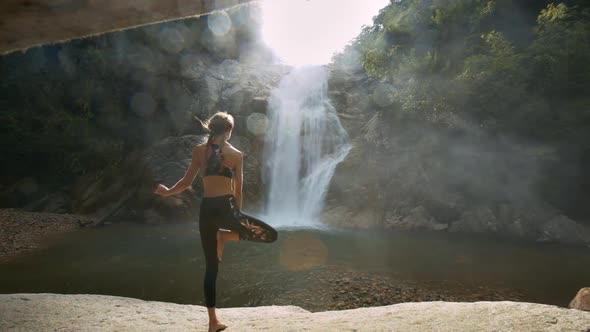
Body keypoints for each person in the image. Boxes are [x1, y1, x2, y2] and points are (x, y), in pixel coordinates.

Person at [154, 111, 278, 332]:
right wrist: (237, 218)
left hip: (207, 210)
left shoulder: (199, 151)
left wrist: (166, 192)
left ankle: (212, 322)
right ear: (229, 131)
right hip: (227, 208)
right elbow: (237, 190)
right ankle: (226, 235)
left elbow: (186, 181)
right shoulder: (236, 155)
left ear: (212, 129)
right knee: (268, 234)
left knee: (211, 268)